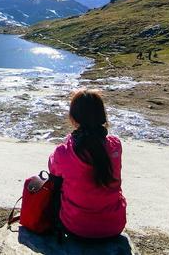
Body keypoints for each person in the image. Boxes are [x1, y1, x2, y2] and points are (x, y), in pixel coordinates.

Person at [48, 89, 127, 239]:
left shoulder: (64, 152)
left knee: (58, 182)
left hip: (75, 227)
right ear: (102, 115)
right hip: (114, 226)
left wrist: (67, 142)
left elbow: (53, 168)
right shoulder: (115, 146)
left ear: (73, 118)